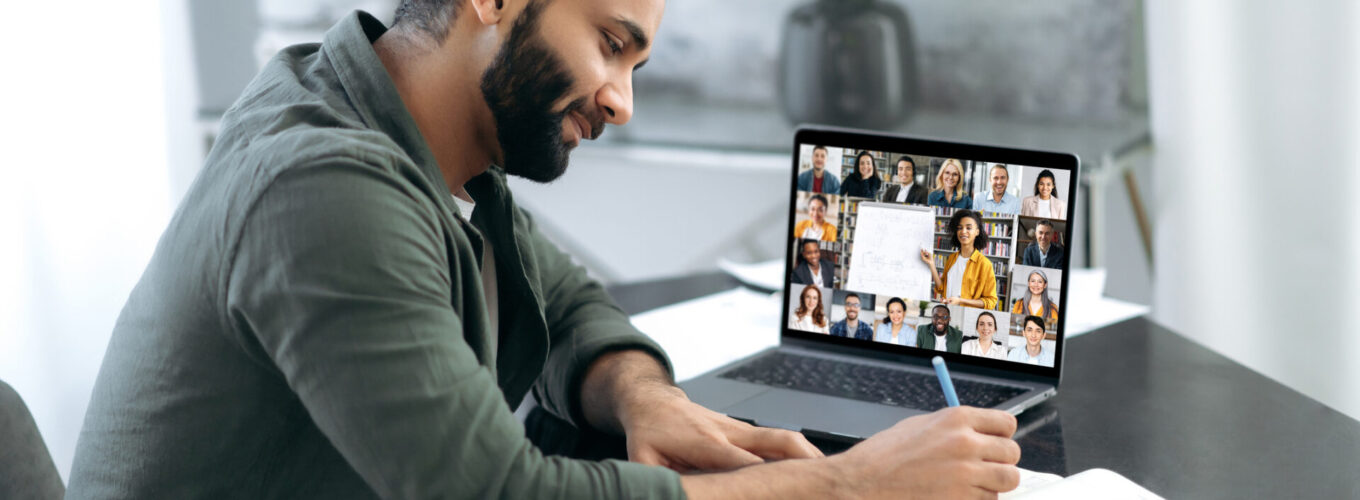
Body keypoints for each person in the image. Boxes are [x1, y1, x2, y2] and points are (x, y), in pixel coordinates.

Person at [67, 1, 1023, 498]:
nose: (621, 99)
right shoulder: (323, 187)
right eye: (610, 43)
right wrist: (848, 486)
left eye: (636, 64)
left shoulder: (410, 129)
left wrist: (645, 399)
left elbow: (565, 301)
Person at [921, 210, 1000, 309]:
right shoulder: (951, 258)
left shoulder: (985, 264)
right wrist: (931, 264)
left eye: (968, 228)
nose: (963, 231)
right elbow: (941, 288)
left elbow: (991, 301)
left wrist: (960, 300)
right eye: (959, 228)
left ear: (977, 232)